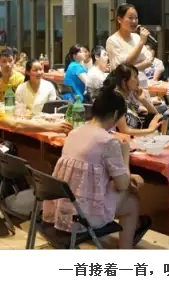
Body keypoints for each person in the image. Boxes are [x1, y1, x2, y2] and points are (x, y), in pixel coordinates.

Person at [43, 86, 151, 249]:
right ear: (115, 114)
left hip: (62, 209)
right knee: (132, 201)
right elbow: (122, 185)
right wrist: (125, 155)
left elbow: (93, 172)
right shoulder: (108, 141)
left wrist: (128, 176)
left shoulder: (74, 132)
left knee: (130, 194)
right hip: (83, 216)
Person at [104, 64, 162, 136]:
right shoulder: (116, 99)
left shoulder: (127, 98)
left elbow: (155, 116)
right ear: (124, 81)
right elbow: (124, 130)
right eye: (135, 77)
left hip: (135, 138)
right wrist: (150, 130)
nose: (138, 81)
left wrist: (143, 99)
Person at [106, 3, 153, 88]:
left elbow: (149, 60)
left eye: (136, 18)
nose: (134, 21)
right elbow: (121, 68)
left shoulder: (137, 37)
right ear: (119, 19)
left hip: (142, 84)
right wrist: (141, 43)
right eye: (130, 18)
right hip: (124, 87)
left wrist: (131, 68)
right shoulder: (112, 40)